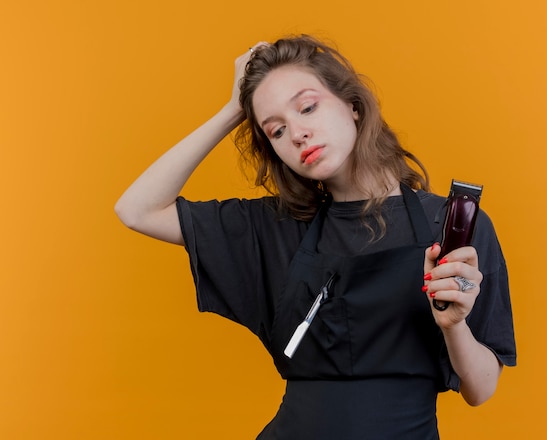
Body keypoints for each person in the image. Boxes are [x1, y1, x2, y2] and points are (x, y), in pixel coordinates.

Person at [115, 34, 516, 439]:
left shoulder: (452, 226)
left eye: (308, 107)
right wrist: (232, 110)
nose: (298, 134)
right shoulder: (274, 229)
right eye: (276, 131)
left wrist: (453, 325)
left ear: (353, 106)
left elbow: (480, 389)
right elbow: (137, 210)